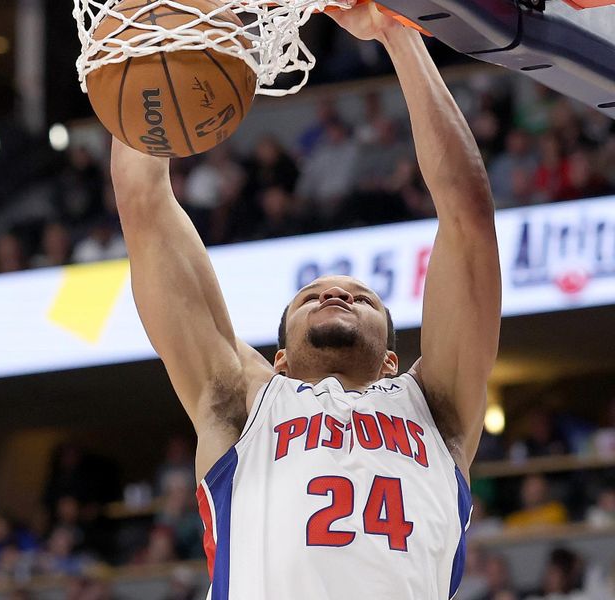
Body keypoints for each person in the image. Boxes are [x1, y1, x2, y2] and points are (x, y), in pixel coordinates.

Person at [108, 2, 501, 598]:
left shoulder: (436, 409)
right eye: (312, 297)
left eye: (359, 298)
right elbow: (144, 202)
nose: (336, 291)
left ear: (392, 362)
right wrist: (171, 33)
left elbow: (468, 215)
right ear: (281, 360)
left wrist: (397, 32)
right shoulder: (242, 401)